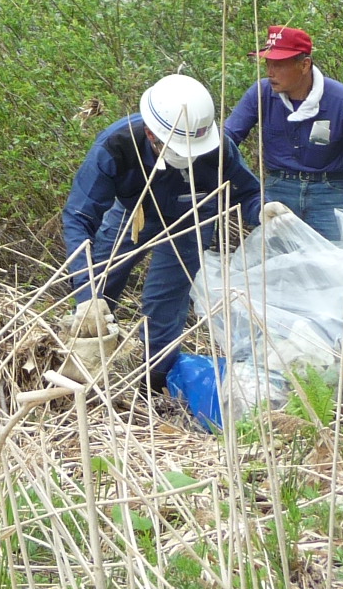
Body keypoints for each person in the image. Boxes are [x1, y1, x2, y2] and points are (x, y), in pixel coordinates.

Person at [63, 74, 262, 389]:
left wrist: (265, 210)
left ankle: (151, 384)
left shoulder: (216, 147)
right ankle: (83, 373)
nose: (186, 157)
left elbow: (248, 193)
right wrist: (87, 294)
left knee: (164, 302)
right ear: (150, 133)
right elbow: (78, 216)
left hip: (191, 217)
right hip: (134, 212)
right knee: (101, 280)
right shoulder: (117, 145)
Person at [224, 25, 343, 241]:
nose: (270, 72)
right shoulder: (261, 93)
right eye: (268, 63)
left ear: (304, 65)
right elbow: (227, 138)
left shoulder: (342, 101)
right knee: (276, 264)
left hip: (329, 191)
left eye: (279, 64)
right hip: (279, 191)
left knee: (338, 264)